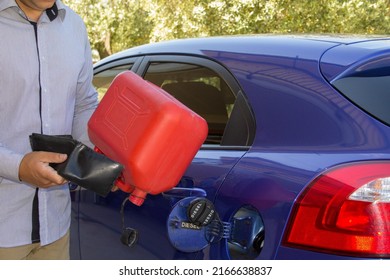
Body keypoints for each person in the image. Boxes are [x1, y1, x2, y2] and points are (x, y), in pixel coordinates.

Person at [0, 0, 98, 259]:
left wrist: (95, 159)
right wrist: (17, 166)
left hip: (56, 227)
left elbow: (84, 103)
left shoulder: (74, 27)